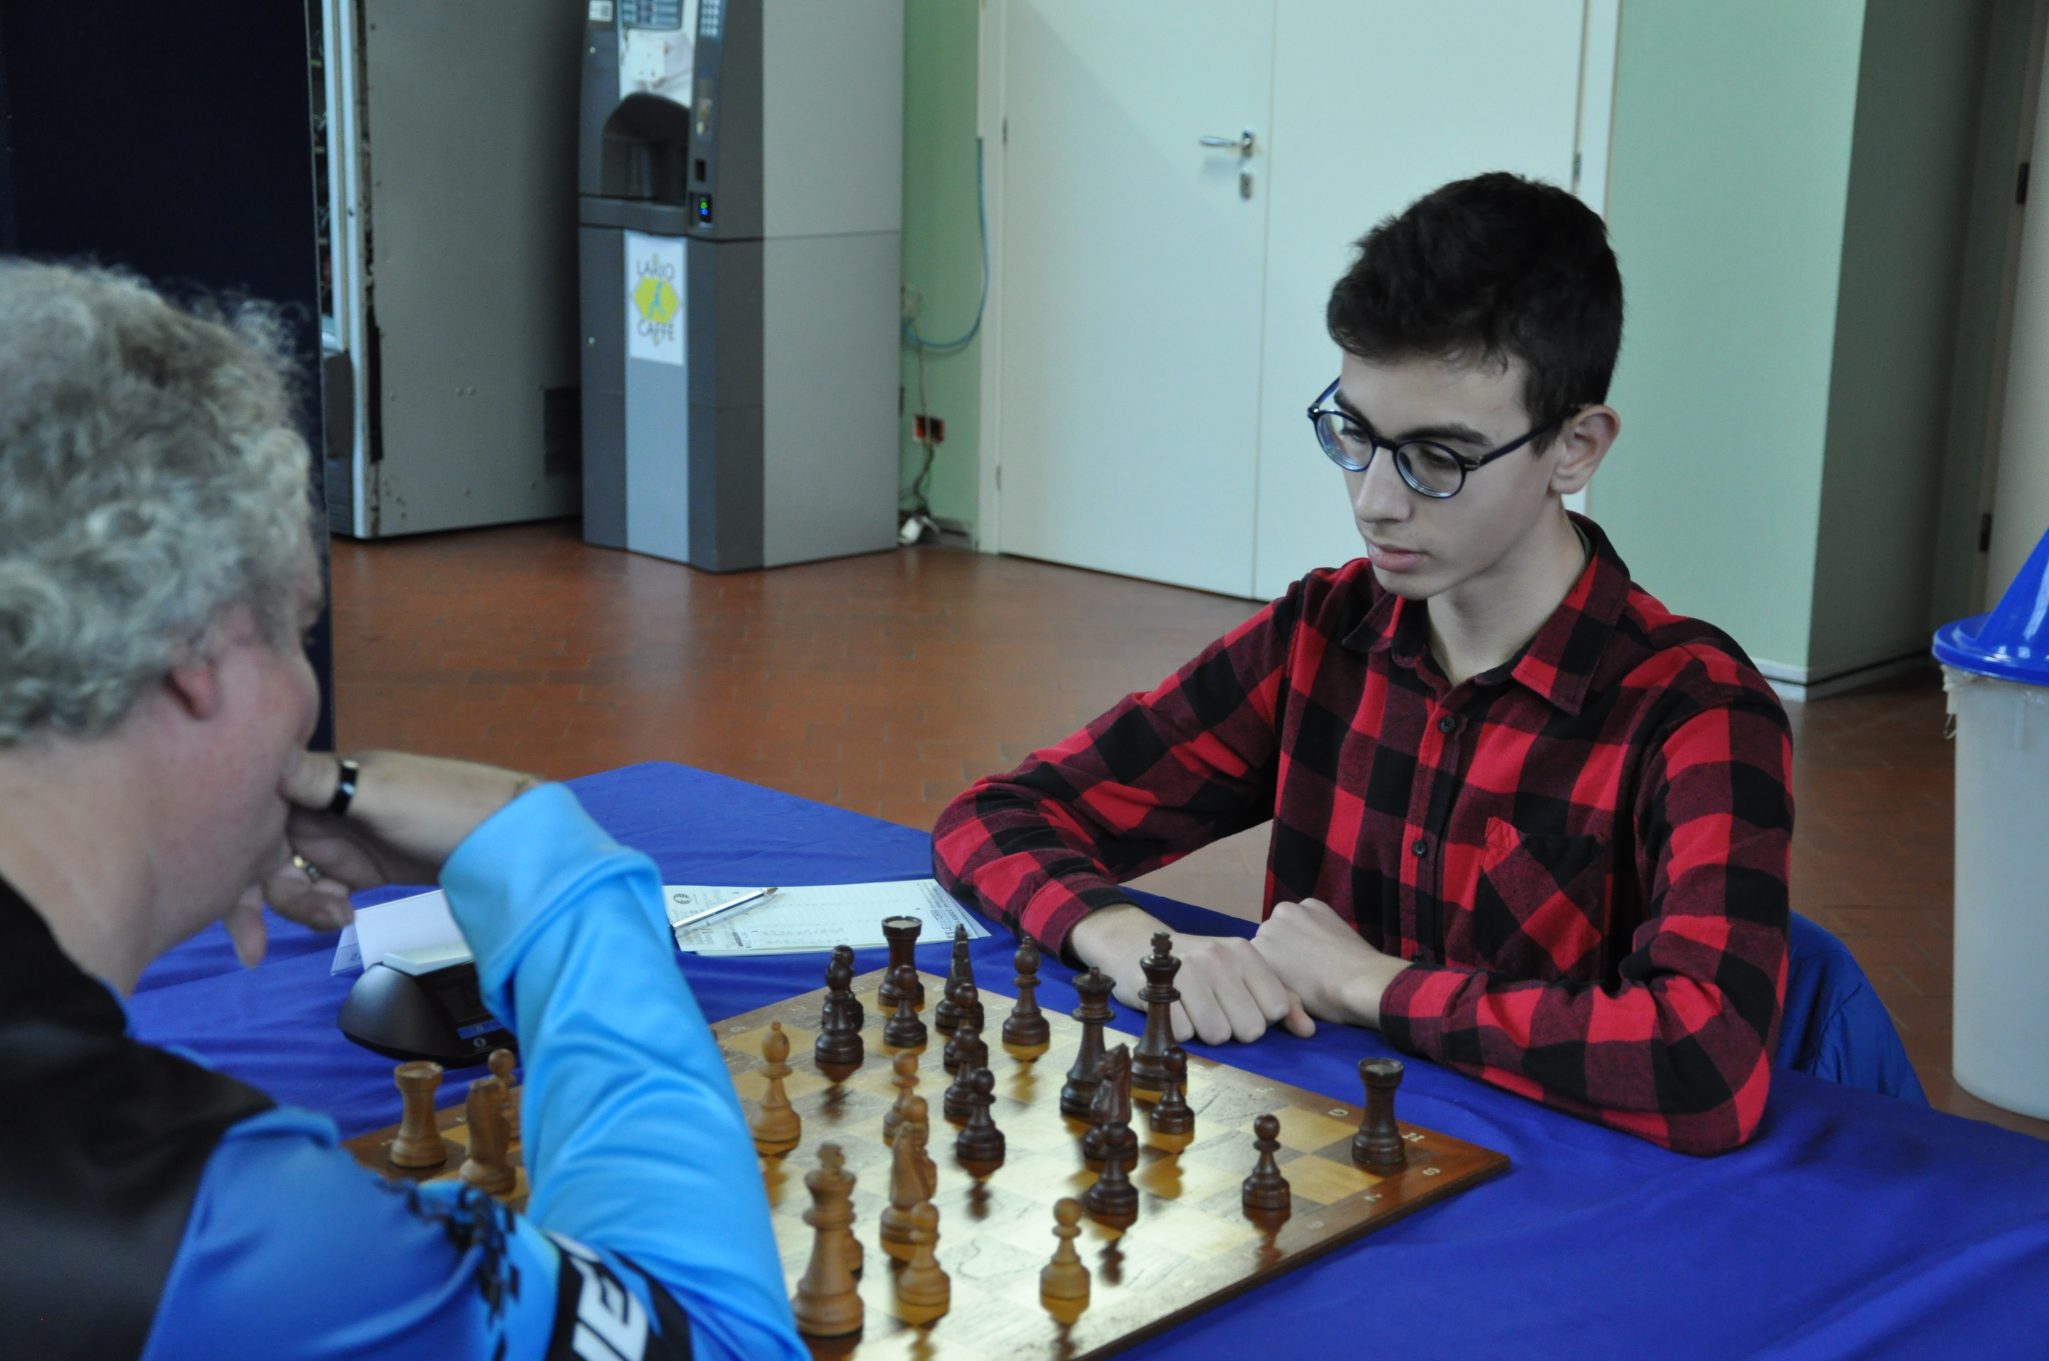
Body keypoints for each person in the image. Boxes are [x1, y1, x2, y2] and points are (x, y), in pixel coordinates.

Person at [0, 262, 807, 1359]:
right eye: (294, 627)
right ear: (196, 647)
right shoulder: (208, 1221)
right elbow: (717, 1337)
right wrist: (552, 868)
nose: (305, 692)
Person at [932, 173, 1793, 1156]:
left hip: (1557, 1220)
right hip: (1319, 1168)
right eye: (1354, 433)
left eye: (1438, 456)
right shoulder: (1323, 633)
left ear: (1574, 448)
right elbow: (995, 816)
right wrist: (1124, 938)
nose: (1377, 499)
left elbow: (1710, 1058)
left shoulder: (1695, 710)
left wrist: (1368, 983)